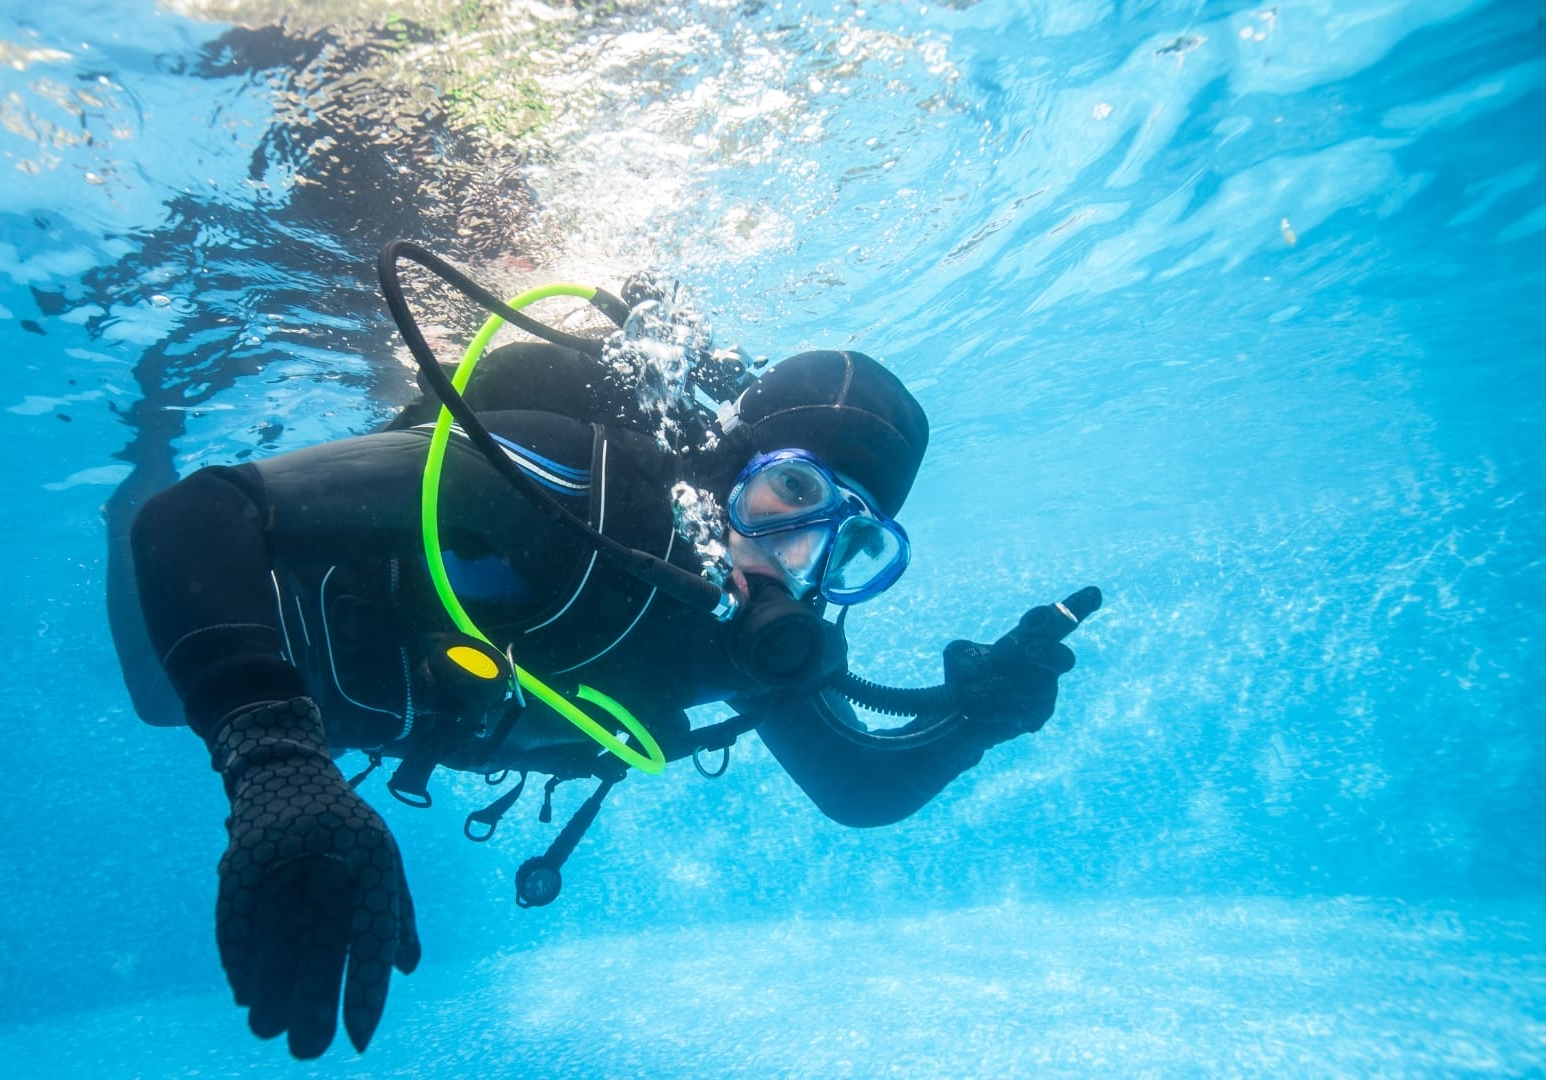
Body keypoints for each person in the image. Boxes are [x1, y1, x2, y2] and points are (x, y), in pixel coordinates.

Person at [121, 241, 1097, 1059]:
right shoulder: (555, 483)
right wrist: (274, 758)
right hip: (261, 641)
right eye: (790, 498)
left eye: (854, 543)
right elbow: (199, 517)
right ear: (722, 472)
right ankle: (141, 431)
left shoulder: (755, 640)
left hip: (354, 726)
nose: (798, 563)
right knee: (155, 689)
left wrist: (983, 721)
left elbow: (858, 789)